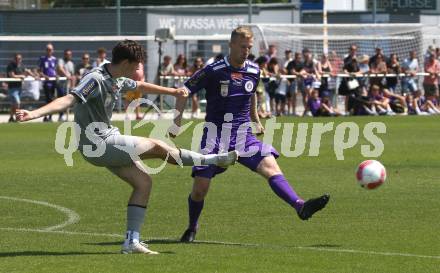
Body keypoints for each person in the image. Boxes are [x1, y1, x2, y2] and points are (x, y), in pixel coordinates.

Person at [16, 40, 238, 255]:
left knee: (143, 183)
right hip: (97, 144)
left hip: (109, 138)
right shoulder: (96, 78)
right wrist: (34, 113)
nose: (139, 69)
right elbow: (69, 99)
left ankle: (131, 241)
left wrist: (172, 92)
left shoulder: (118, 78)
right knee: (157, 145)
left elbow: (139, 85)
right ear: (125, 63)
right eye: (137, 65)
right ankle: (213, 160)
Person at [172, 26, 330, 243]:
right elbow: (184, 91)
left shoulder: (254, 70)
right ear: (232, 45)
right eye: (242, 46)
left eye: (249, 47)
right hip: (215, 136)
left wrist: (255, 119)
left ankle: (300, 206)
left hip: (243, 133)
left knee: (271, 167)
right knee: (200, 189)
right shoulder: (213, 70)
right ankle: (192, 227)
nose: (246, 51)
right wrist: (176, 122)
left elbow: (251, 93)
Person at [6, 53, 30, 122]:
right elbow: (12, 75)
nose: (18, 60)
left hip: (19, 88)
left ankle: (11, 118)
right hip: (12, 88)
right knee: (17, 102)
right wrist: (21, 76)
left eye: (19, 59)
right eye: (17, 58)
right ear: (14, 59)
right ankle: (18, 118)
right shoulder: (10, 65)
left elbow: (27, 71)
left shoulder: (21, 65)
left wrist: (34, 75)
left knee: (14, 104)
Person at [38, 43, 58, 122]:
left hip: (53, 82)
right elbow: (39, 71)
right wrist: (44, 75)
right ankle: (46, 116)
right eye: (47, 49)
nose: (49, 51)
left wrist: (56, 75)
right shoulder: (42, 59)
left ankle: (50, 116)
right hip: (46, 82)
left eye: (50, 49)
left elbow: (55, 70)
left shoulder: (54, 59)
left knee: (52, 99)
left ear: (52, 50)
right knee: (48, 99)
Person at [57, 49, 76, 121]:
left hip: (67, 86)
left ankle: (66, 115)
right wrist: (66, 75)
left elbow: (72, 75)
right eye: (67, 54)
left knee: (67, 101)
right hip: (60, 85)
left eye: (70, 54)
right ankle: (60, 115)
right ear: (64, 54)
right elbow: (60, 68)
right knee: (60, 100)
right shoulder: (61, 61)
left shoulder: (71, 63)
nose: (68, 56)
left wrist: (72, 86)